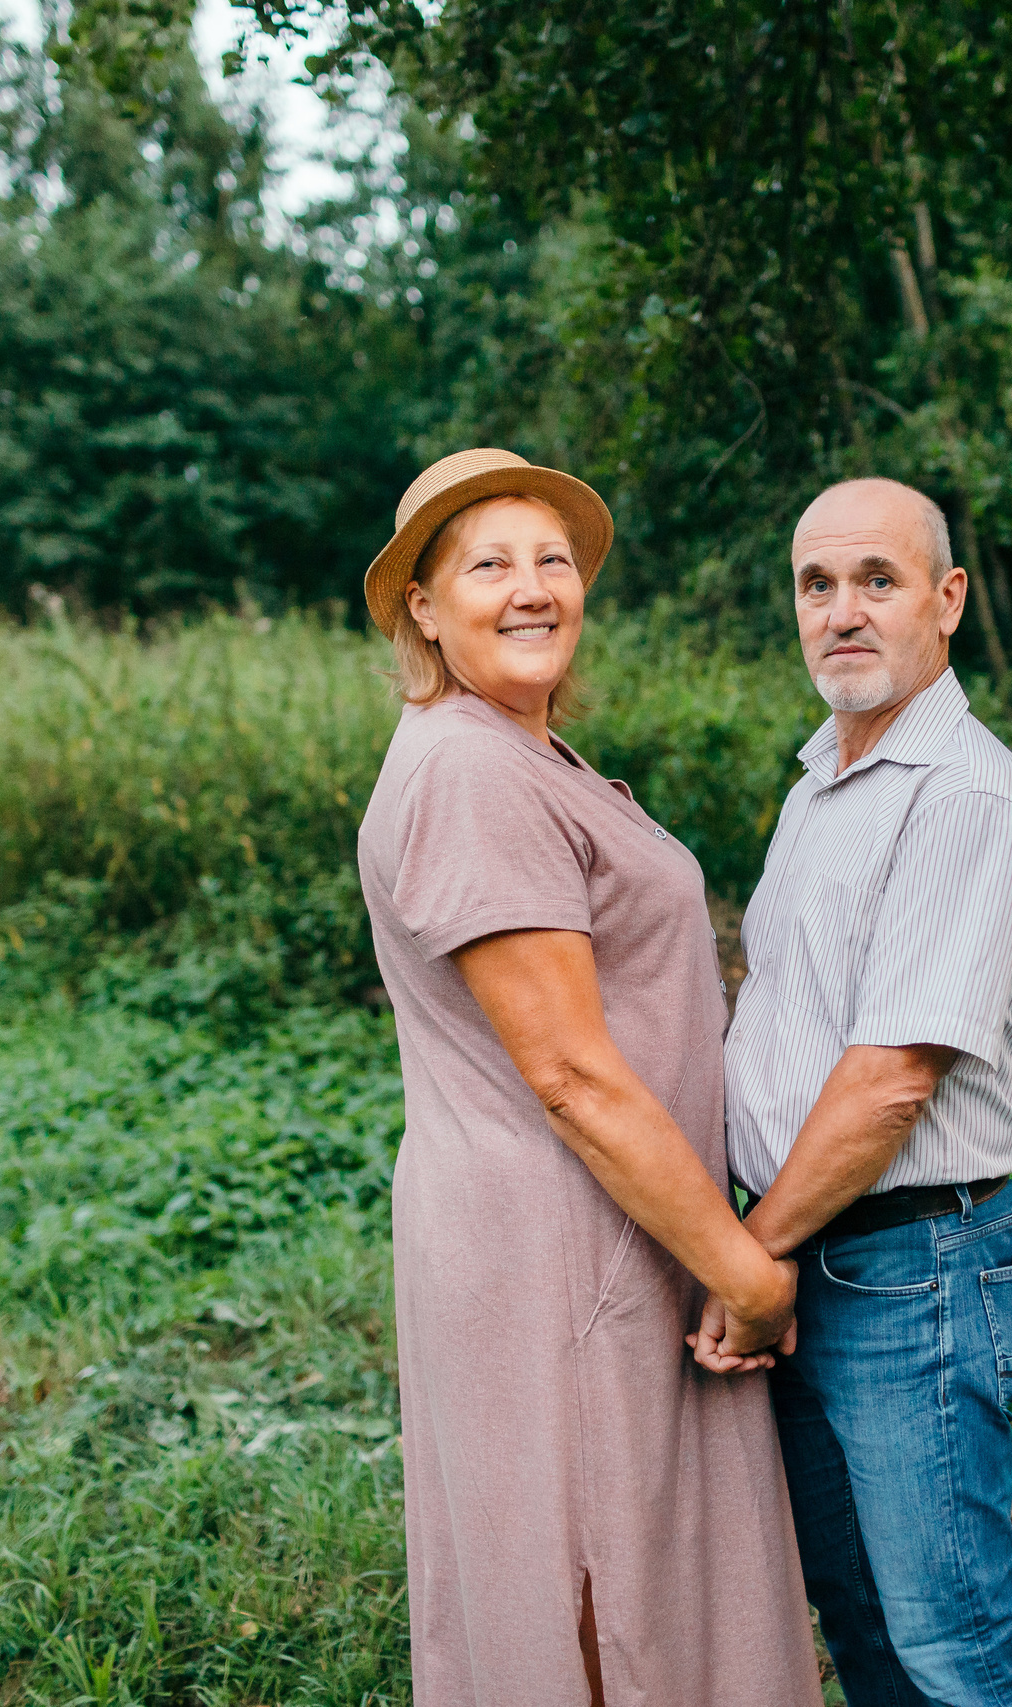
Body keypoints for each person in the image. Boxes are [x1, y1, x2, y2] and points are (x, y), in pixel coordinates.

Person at [354, 448, 821, 1707]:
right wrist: (744, 1271)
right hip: (564, 1250)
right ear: (423, 605)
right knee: (605, 1595)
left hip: (591, 1234)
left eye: (551, 560)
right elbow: (567, 1071)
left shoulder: (522, 754)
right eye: (488, 564)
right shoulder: (466, 770)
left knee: (631, 1578)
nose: (531, 588)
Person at [707, 477, 1012, 1706]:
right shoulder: (822, 784)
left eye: (878, 580)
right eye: (816, 584)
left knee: (956, 1644)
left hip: (910, 1269)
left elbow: (890, 1081)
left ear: (947, 599)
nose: (841, 612)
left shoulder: (957, 792)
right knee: (860, 1623)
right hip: (818, 1250)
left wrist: (745, 1256)